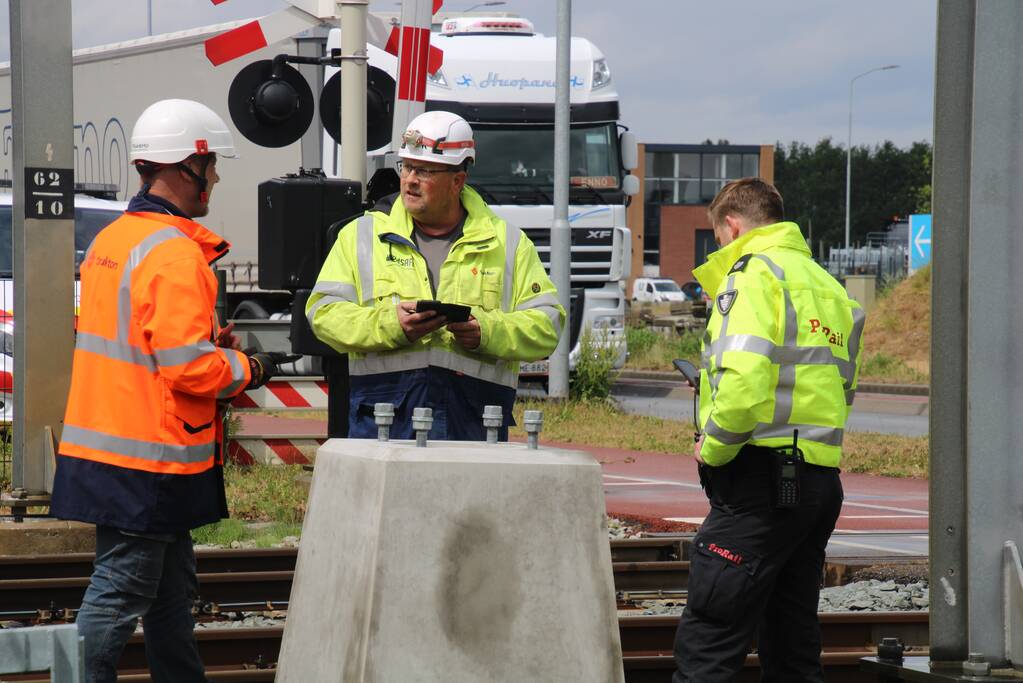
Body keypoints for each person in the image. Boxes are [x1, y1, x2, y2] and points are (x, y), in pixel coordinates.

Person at [50, 99, 288, 683]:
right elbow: (188, 369)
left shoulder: (114, 240)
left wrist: (208, 343)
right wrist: (248, 367)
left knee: (167, 592)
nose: (216, 180)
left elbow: (138, 341)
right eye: (212, 168)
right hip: (150, 456)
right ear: (188, 166)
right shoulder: (177, 253)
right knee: (123, 589)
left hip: (111, 446)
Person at [673, 178, 865, 682]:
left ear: (732, 226)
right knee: (792, 642)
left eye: (719, 240)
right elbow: (840, 390)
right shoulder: (829, 288)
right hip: (818, 484)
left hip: (760, 482)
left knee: (709, 638)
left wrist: (710, 449)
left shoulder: (754, 275)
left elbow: (743, 383)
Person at [307, 110, 563, 440]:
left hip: (472, 426)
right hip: (384, 424)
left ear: (458, 180)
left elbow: (548, 324)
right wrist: (391, 325)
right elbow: (323, 313)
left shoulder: (508, 243)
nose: (410, 179)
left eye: (424, 170)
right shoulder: (360, 236)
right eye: (407, 166)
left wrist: (486, 331)